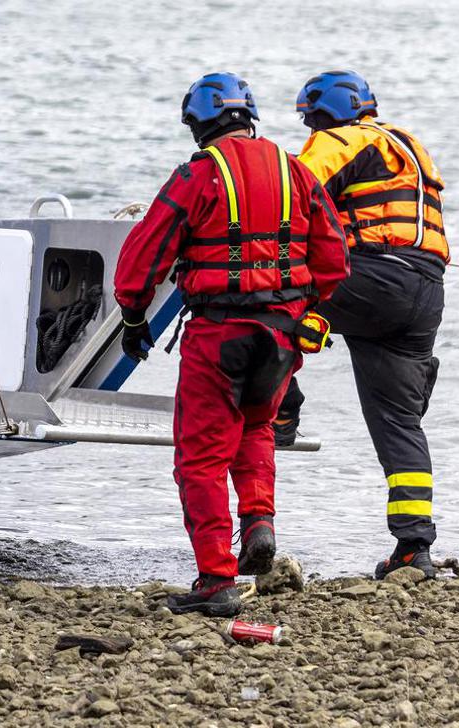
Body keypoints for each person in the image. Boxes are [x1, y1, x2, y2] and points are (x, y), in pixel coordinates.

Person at [115, 73, 348, 616]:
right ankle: (259, 523)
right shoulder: (295, 170)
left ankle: (217, 579)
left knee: (199, 458)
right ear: (249, 116)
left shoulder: (198, 174)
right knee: (258, 427)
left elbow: (143, 255)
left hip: (219, 333)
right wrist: (308, 310)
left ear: (198, 123)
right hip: (284, 334)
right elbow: (334, 257)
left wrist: (132, 316)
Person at [287, 70, 449, 579]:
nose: (307, 126)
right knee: (399, 422)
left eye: (308, 117)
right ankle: (414, 547)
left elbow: (286, 191)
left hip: (374, 279)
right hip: (425, 292)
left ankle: (281, 410)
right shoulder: (408, 145)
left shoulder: (342, 139)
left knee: (267, 297)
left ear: (323, 112)